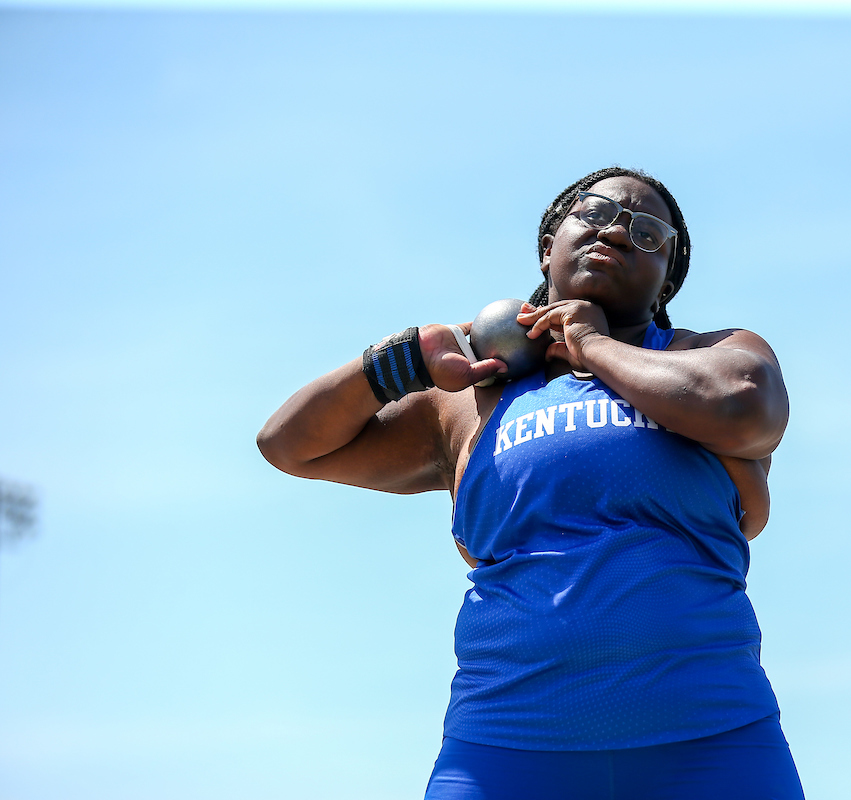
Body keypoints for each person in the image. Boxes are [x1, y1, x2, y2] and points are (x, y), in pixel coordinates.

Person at [257, 167, 804, 799]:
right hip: (504, 749)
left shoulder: (708, 357)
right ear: (549, 247)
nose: (617, 232)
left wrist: (591, 344)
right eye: (595, 213)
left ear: (666, 282)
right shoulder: (470, 399)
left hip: (714, 742)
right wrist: (406, 359)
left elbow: (746, 406)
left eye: (648, 233)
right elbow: (288, 443)